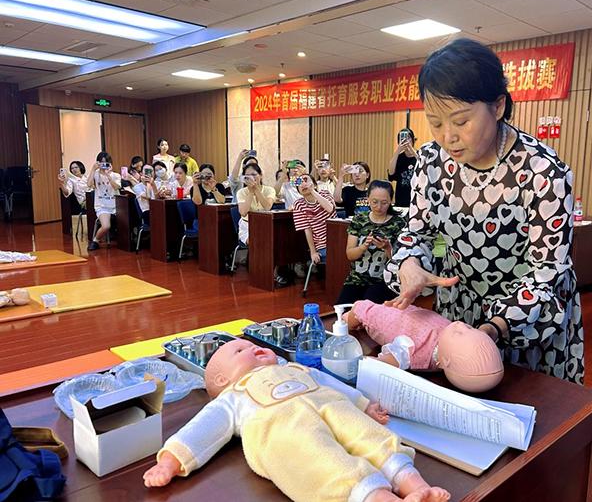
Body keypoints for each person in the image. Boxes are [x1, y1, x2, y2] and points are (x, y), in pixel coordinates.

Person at [384, 38, 584, 385]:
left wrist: (493, 330)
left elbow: (547, 272)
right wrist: (411, 264)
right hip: (458, 317)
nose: (448, 137)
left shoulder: (543, 172)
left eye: (461, 121)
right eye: (435, 122)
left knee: (531, 423)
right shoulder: (431, 162)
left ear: (498, 106)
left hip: (527, 321)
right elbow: (420, 234)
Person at [143, 339, 450, 502]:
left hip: (331, 406)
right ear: (223, 379)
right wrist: (171, 460)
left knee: (370, 435)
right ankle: (378, 498)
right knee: (318, 461)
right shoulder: (233, 396)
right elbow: (203, 428)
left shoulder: (297, 368)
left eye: (250, 345)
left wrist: (364, 406)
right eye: (240, 351)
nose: (252, 348)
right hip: (283, 426)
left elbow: (334, 385)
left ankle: (413, 484)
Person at [344, 300, 503, 393]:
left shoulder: (415, 353)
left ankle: (348, 317)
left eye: (459, 333)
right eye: (470, 328)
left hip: (377, 315)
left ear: (444, 361)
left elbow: (375, 363)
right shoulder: (452, 339)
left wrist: (359, 362)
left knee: (357, 310)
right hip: (404, 307)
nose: (460, 324)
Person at [337, 180, 405, 305]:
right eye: (374, 202)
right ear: (367, 198)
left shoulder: (398, 223)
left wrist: (387, 248)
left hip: (384, 280)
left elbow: (400, 263)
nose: (379, 207)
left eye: (384, 203)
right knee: (342, 311)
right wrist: (363, 246)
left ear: (391, 200)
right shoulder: (359, 219)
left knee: (366, 309)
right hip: (356, 279)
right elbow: (350, 255)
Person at [292, 174, 337, 266]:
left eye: (306, 180)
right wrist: (313, 252)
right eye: (299, 183)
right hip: (321, 244)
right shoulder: (298, 204)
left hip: (337, 239)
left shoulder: (325, 193)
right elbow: (307, 229)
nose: (303, 184)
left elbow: (330, 208)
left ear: (315, 184)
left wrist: (312, 191)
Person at [87, 151, 121, 251]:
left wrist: (109, 176)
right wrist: (93, 169)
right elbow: (89, 185)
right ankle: (95, 240)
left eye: (106, 163)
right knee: (106, 226)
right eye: (101, 162)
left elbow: (116, 187)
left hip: (116, 206)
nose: (104, 165)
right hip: (102, 206)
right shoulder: (96, 174)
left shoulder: (116, 175)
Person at [236, 163, 276, 244]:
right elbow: (243, 213)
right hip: (247, 226)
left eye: (254, 175)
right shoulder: (241, 192)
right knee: (256, 240)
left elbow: (267, 207)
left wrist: (256, 190)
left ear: (261, 175)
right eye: (247, 176)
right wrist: (251, 192)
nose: (251, 178)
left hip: (266, 225)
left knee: (272, 240)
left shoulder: (269, 190)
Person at [388, 128, 417, 208]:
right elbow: (391, 173)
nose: (405, 140)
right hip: (401, 200)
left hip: (417, 199)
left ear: (413, 140)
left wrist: (412, 150)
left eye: (408, 138)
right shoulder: (398, 157)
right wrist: (398, 151)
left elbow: (423, 166)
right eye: (402, 138)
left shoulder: (419, 155)